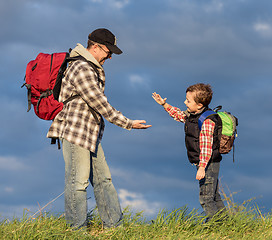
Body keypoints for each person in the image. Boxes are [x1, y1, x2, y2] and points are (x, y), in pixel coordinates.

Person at [47, 28, 151, 229]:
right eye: (108, 51)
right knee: (78, 184)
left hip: (90, 134)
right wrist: (128, 123)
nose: (110, 56)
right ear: (95, 47)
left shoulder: (90, 67)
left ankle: (114, 227)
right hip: (75, 132)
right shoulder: (82, 68)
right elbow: (99, 102)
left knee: (104, 180)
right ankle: (76, 231)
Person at [152, 83, 225, 221]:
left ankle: (214, 226)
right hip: (205, 163)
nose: (185, 102)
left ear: (199, 105)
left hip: (208, 163)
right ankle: (226, 223)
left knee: (205, 198)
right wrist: (164, 105)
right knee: (213, 195)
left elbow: (206, 146)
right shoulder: (193, 115)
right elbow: (179, 115)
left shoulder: (207, 120)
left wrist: (202, 167)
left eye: (188, 100)